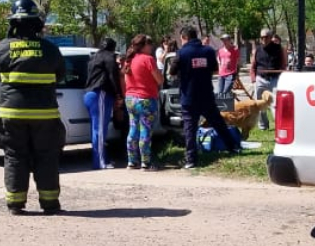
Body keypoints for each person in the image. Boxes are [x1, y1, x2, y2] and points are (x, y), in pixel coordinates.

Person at [0, 0, 66, 215]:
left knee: (15, 156)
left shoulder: (2, 49)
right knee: (47, 157)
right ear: (37, 24)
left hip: (11, 115)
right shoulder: (50, 50)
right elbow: (60, 75)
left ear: (13, 23)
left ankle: (15, 203)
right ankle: (50, 204)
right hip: (45, 115)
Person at [171, 25, 240, 169]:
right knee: (218, 123)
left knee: (190, 128)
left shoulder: (181, 52)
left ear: (184, 37)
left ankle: (191, 160)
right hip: (206, 95)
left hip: (189, 97)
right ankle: (233, 147)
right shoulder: (208, 51)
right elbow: (215, 69)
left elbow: (172, 72)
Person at [122, 33, 163, 170]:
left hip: (130, 99)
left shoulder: (129, 59)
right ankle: (146, 162)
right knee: (145, 130)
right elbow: (160, 80)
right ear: (144, 45)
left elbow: (126, 80)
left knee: (133, 129)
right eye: (149, 44)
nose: (151, 47)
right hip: (145, 99)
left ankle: (132, 161)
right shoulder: (148, 59)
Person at [83, 37, 122, 170]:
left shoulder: (93, 57)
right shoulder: (109, 57)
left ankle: (102, 159)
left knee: (97, 130)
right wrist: (119, 94)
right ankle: (99, 162)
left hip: (90, 94)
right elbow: (113, 76)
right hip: (100, 94)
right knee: (100, 130)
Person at [250, 28, 286, 130]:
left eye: (265, 37)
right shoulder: (257, 50)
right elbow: (253, 66)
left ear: (270, 37)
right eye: (261, 37)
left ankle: (279, 125)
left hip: (274, 79)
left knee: (276, 104)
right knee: (260, 103)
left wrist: (282, 76)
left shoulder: (279, 49)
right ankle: (263, 126)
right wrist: (253, 80)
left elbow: (283, 65)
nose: (263, 39)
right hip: (260, 79)